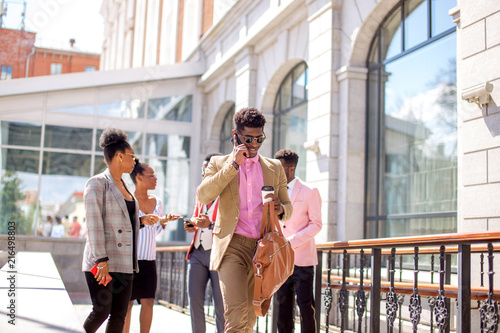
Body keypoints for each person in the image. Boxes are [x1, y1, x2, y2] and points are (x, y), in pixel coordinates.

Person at [197, 107, 293, 333]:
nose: (254, 144)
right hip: (232, 246)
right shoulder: (219, 163)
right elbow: (203, 195)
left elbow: (288, 208)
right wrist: (233, 164)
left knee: (249, 318)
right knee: (236, 316)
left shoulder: (274, 167)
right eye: (248, 138)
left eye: (259, 139)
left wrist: (280, 209)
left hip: (263, 249)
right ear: (236, 135)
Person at [81, 128, 157, 333]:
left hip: (125, 263)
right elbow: (94, 223)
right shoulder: (97, 183)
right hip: (102, 262)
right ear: (119, 156)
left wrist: (141, 220)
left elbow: (121, 221)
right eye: (132, 156)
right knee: (101, 310)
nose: (135, 161)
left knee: (119, 316)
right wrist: (101, 260)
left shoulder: (126, 187)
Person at [123, 161, 181, 333]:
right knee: (127, 304)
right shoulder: (127, 200)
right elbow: (124, 230)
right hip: (129, 261)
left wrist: (162, 222)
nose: (155, 179)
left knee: (148, 302)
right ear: (139, 177)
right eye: (152, 175)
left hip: (149, 260)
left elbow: (155, 234)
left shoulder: (157, 202)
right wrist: (141, 221)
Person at [274, 149, 322, 333]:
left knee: (306, 308)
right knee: (282, 309)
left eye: (279, 168)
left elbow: (316, 224)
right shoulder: (274, 193)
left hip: (302, 260)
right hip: (280, 260)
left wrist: (291, 241)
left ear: (291, 168)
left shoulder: (310, 191)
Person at [185, 153, 225, 333]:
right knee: (194, 302)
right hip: (197, 252)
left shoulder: (227, 194)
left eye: (206, 168)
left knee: (221, 307)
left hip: (219, 254)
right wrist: (192, 223)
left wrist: (211, 225)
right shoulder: (200, 190)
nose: (203, 172)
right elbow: (196, 213)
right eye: (202, 168)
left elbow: (233, 225)